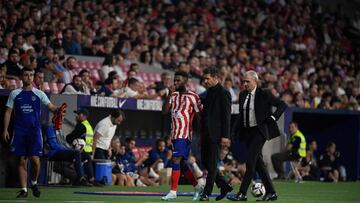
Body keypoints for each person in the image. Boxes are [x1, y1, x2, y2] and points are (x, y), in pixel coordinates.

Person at [228, 70, 287, 201]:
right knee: (258, 163)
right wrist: (233, 131)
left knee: (250, 162)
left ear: (255, 81)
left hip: (260, 132)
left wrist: (273, 117)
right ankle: (272, 192)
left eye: (247, 81)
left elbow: (282, 105)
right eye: (244, 81)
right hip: (248, 133)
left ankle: (242, 193)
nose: (245, 84)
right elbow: (241, 115)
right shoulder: (243, 95)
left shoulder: (264, 93)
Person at [2, 67, 59, 198]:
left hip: (35, 131)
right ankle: (24, 190)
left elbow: (51, 107)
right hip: (20, 131)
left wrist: (58, 110)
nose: (28, 77)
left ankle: (33, 183)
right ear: (22, 77)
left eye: (31, 75)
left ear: (33, 77)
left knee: (35, 161)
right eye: (26, 75)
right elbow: (8, 112)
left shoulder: (39, 94)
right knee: (22, 161)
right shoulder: (14, 93)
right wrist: (5, 129)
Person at [161, 71, 204, 201]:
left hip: (184, 134)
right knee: (182, 164)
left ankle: (173, 192)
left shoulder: (193, 96)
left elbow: (199, 117)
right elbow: (164, 111)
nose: (175, 83)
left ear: (186, 81)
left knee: (176, 159)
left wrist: (203, 135)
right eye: (174, 80)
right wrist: (168, 95)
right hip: (174, 134)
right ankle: (197, 187)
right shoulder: (173, 95)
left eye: (178, 80)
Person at [200, 67, 233, 201]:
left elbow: (226, 116)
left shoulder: (224, 93)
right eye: (204, 78)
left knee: (212, 165)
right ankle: (224, 186)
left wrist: (225, 136)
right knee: (206, 162)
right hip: (206, 133)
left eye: (207, 78)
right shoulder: (208, 92)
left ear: (215, 78)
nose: (205, 81)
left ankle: (206, 193)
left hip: (216, 134)